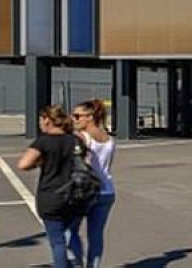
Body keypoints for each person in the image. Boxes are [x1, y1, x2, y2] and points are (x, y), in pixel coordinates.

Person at [18, 105, 85, 268]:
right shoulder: (75, 140)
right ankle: (79, 264)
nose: (40, 123)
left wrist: (39, 163)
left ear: (47, 120)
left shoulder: (44, 141)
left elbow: (23, 164)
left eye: (41, 120)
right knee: (73, 235)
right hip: (75, 194)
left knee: (57, 241)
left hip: (51, 196)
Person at [72, 100, 116, 268]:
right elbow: (107, 165)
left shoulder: (82, 137)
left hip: (86, 191)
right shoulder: (109, 139)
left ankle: (77, 262)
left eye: (78, 116)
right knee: (96, 235)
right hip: (107, 190)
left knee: (69, 231)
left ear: (90, 117)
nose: (74, 119)